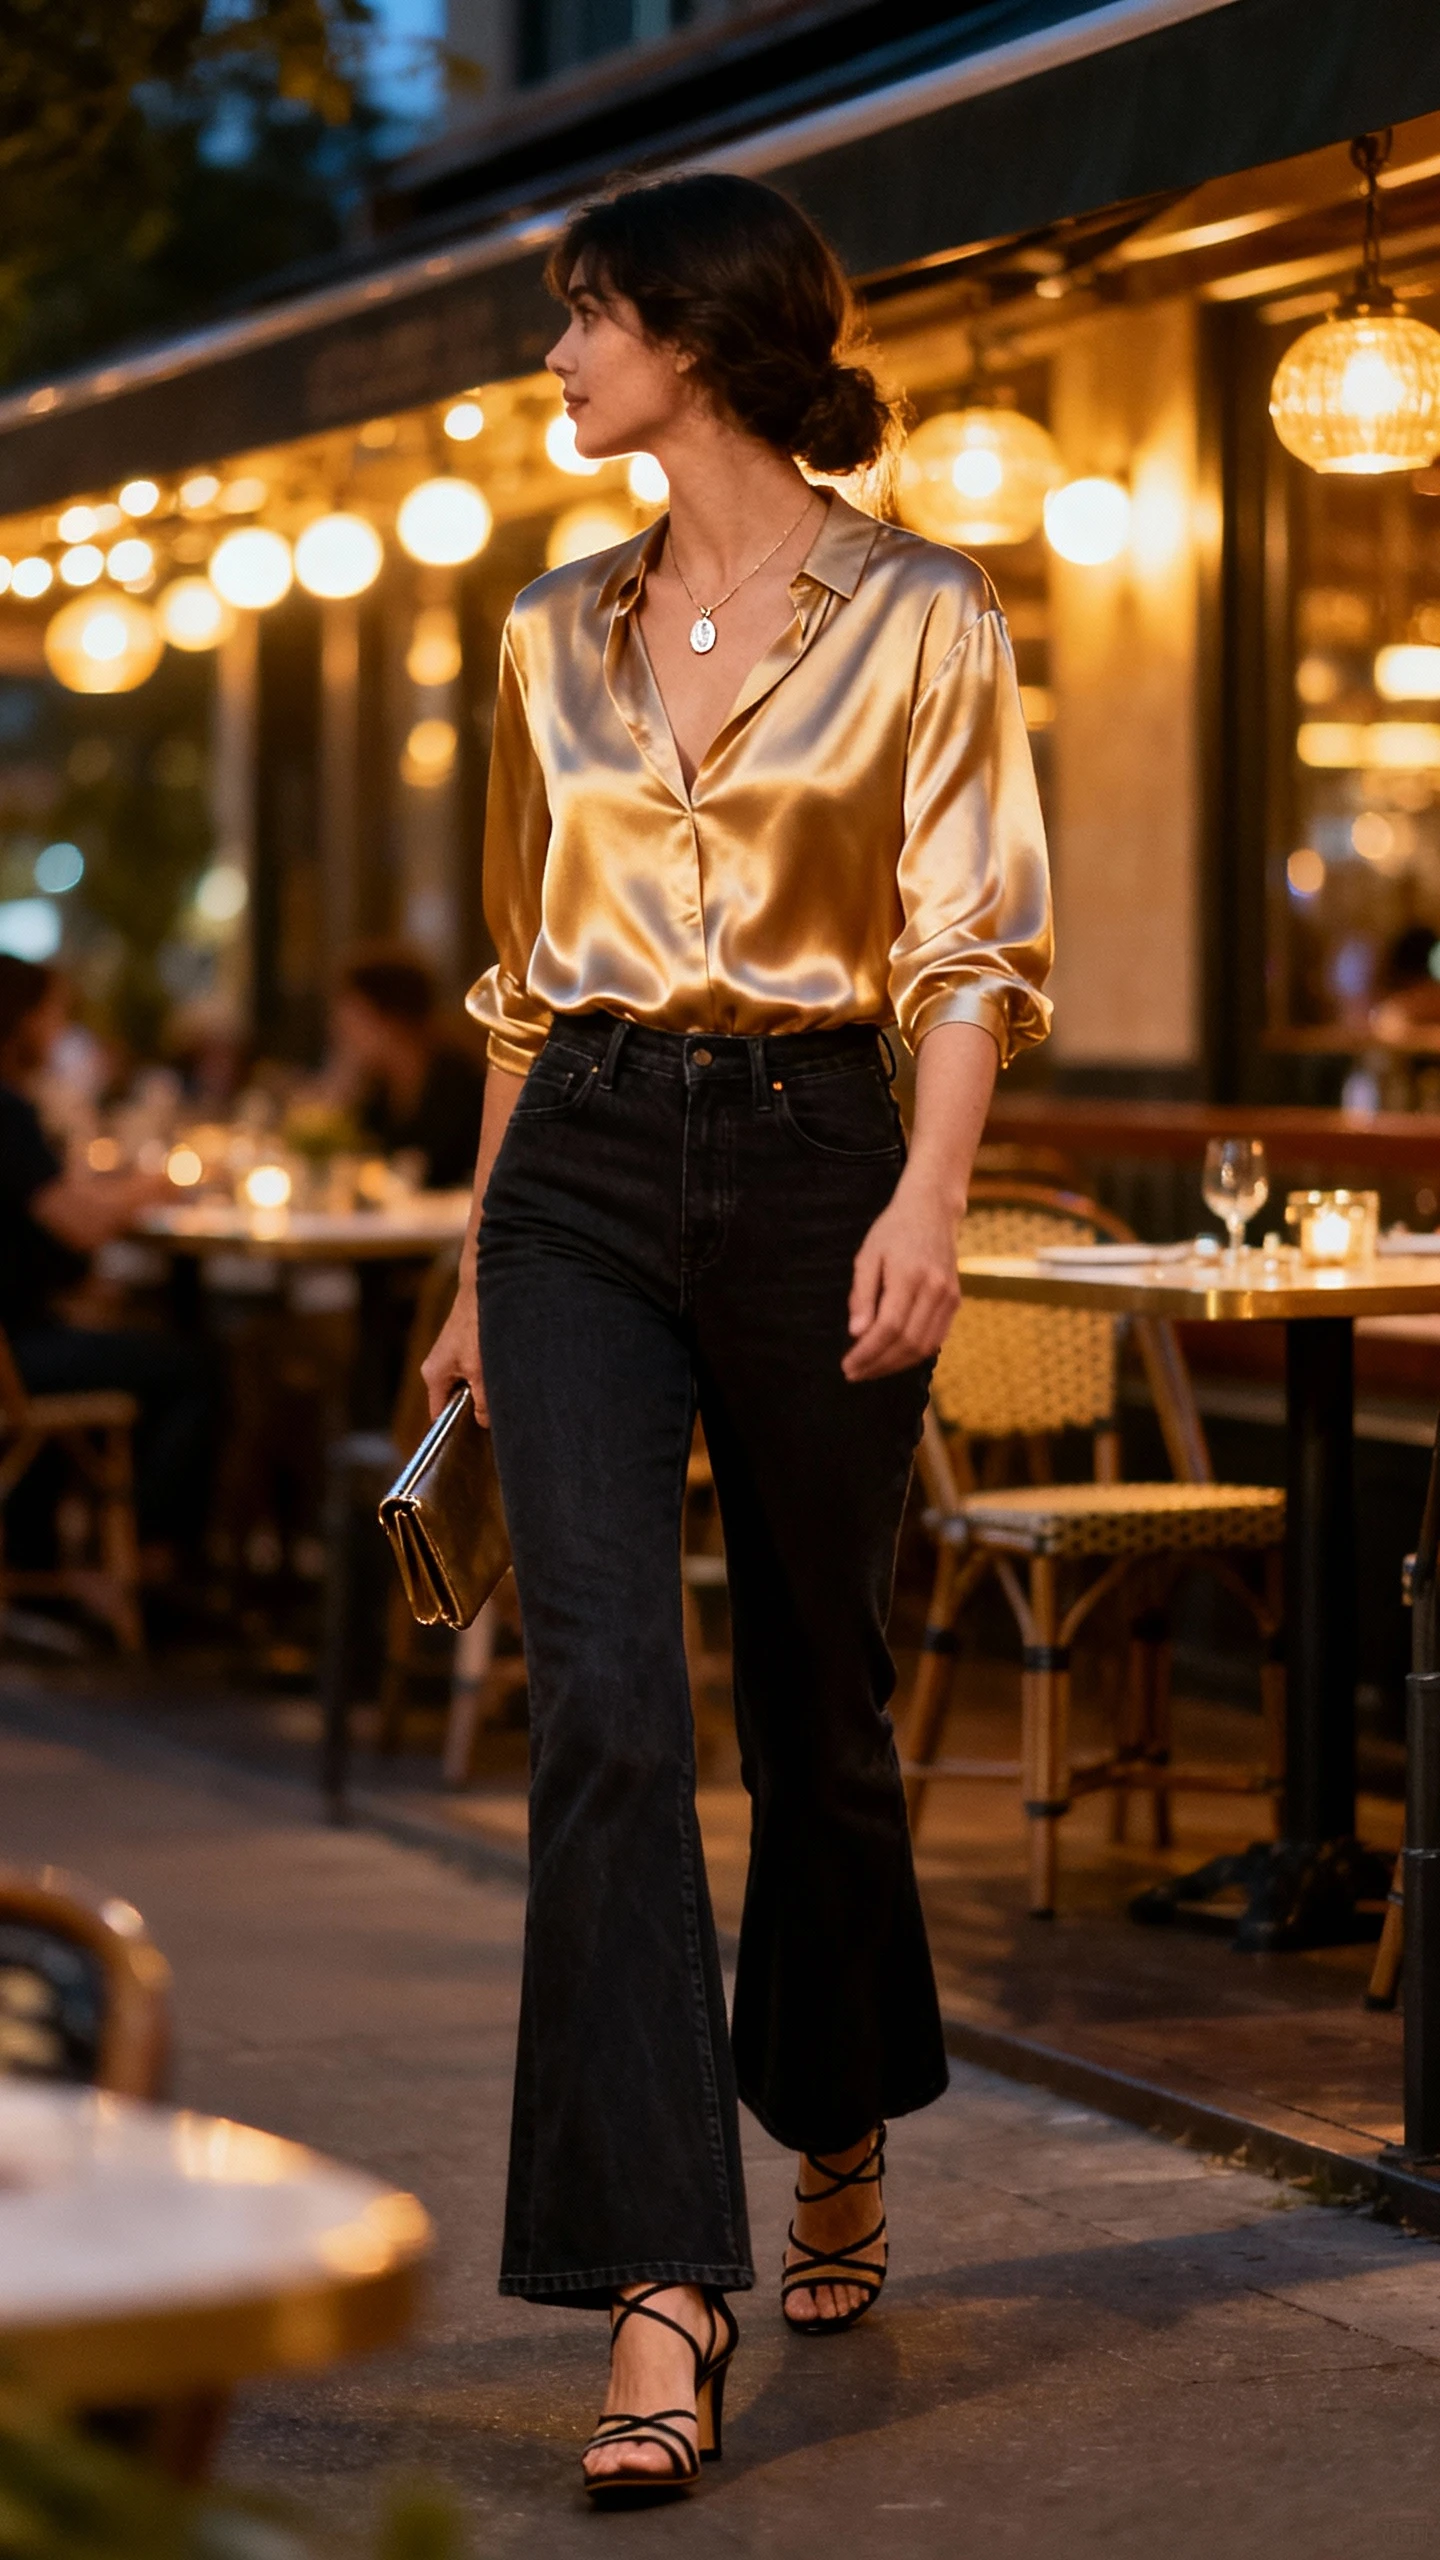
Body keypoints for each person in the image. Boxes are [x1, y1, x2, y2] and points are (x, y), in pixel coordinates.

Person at [422, 171, 1052, 2499]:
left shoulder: (922, 611)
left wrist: (930, 1188)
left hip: (813, 1161)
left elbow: (967, 943)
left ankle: (838, 2107)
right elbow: (512, 979)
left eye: (581, 314)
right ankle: (653, 2282)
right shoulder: (538, 629)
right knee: (601, 1688)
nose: (557, 353)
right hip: (579, 1155)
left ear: (691, 334)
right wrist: (478, 1255)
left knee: (816, 1688)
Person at [0, 955, 212, 1575]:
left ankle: (44, 1557)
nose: (59, 1028)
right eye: (53, 1012)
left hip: (20, 1336)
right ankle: (150, 1556)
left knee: (130, 1338)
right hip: (14, 1352)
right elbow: (80, 1221)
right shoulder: (5, 1112)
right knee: (194, 1369)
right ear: (20, 1018)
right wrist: (160, 1186)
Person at [328, 949, 487, 1188]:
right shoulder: (379, 1092)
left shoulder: (459, 1084)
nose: (340, 1031)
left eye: (353, 1017)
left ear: (390, 1018)